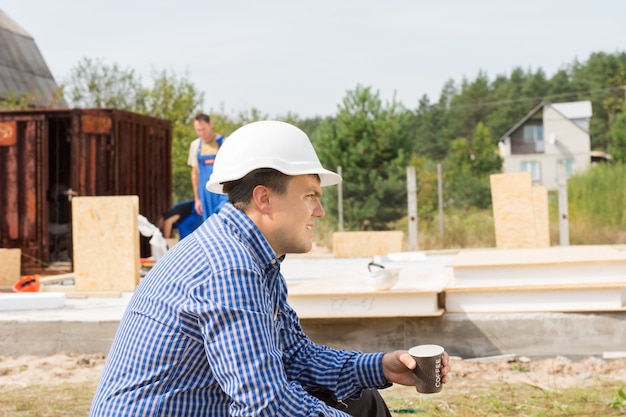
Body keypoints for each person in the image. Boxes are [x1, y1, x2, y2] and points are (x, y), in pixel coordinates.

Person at [90, 120, 450, 416]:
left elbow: (293, 357)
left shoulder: (254, 257)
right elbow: (264, 406)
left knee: (363, 401)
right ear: (264, 198)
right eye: (310, 195)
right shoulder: (227, 267)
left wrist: (380, 367)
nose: (319, 211)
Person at [188, 113, 228, 220]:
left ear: (210, 125)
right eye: (198, 130)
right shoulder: (195, 146)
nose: (201, 133)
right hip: (204, 192)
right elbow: (195, 172)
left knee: (223, 219)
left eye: (203, 129)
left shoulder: (224, 142)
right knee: (209, 222)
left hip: (222, 190)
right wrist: (197, 199)